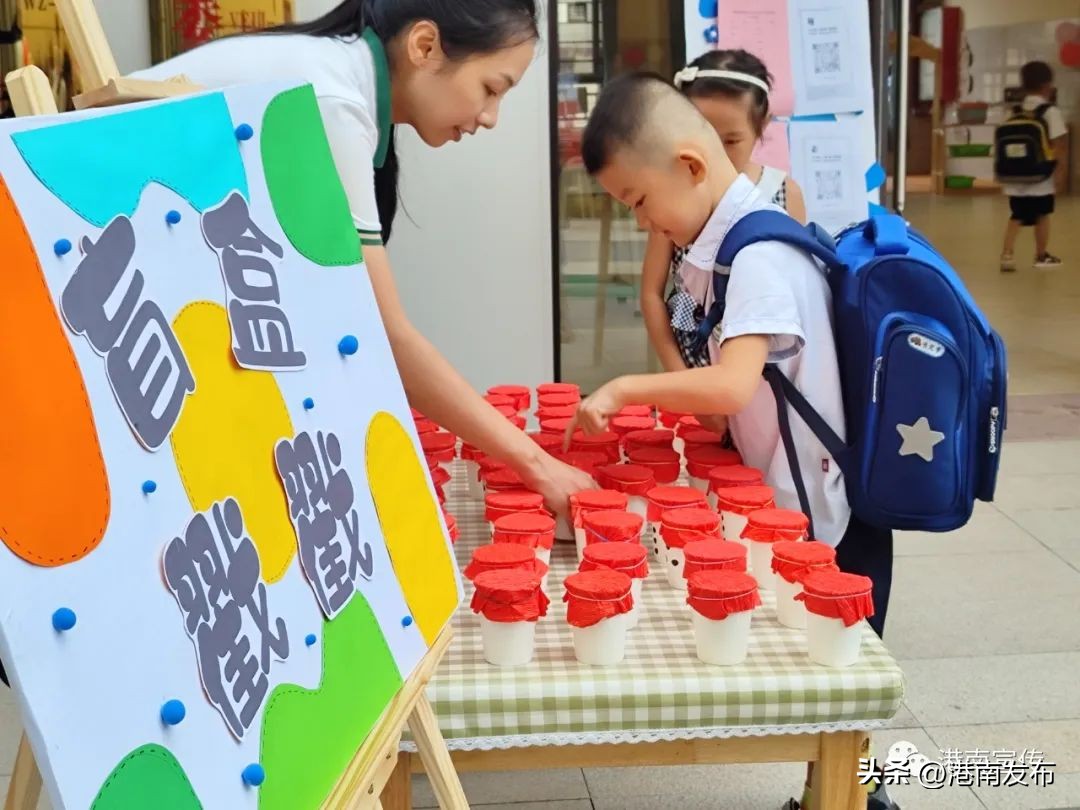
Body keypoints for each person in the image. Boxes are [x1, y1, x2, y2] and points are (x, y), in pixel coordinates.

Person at [571, 73, 897, 810]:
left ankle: (856, 795)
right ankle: (835, 791)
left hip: (827, 509)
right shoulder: (730, 244)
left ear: (689, 166)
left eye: (641, 204)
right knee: (827, 672)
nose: (647, 225)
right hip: (800, 494)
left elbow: (730, 384)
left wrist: (625, 388)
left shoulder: (758, 258)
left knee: (838, 673)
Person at [131, 0, 594, 513]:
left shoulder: (340, 80)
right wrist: (537, 464)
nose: (489, 118)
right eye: (491, 88)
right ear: (424, 46)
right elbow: (383, 333)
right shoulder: (332, 101)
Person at [640, 50, 805, 433]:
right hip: (692, 376)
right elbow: (651, 293)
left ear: (762, 124)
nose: (714, 154)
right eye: (703, 137)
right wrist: (680, 381)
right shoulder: (674, 193)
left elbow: (795, 297)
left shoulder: (781, 192)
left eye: (731, 140)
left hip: (762, 386)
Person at [1000, 60, 1068, 271]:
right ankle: (1041, 255)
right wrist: (1060, 171)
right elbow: (1059, 144)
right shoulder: (1050, 112)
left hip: (1014, 175)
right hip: (1041, 176)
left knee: (1017, 215)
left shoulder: (1014, 111)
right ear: (1047, 86)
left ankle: (1007, 255)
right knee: (1042, 215)